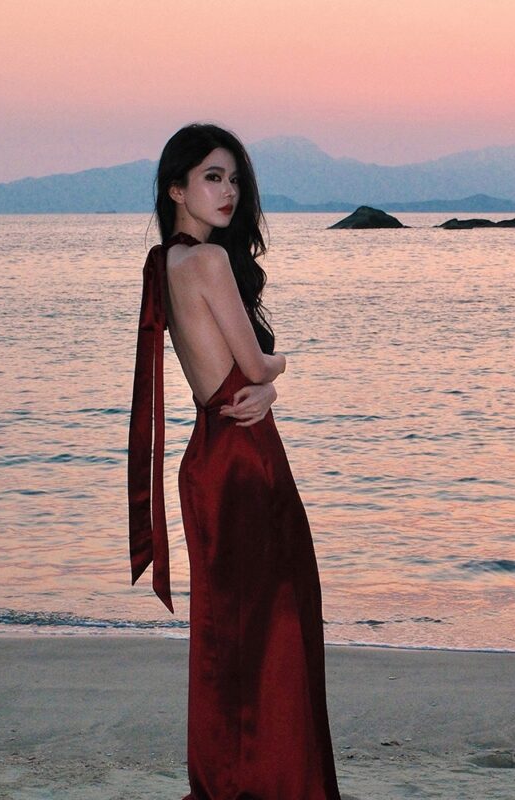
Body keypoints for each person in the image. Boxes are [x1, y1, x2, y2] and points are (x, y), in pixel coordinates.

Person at [128, 122, 341, 800]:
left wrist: (260, 380)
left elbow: (214, 370)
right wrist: (280, 370)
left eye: (234, 180)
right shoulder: (209, 263)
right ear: (176, 188)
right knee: (278, 620)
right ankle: (274, 782)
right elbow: (253, 363)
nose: (228, 192)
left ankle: (230, 778)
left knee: (229, 629)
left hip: (210, 452)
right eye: (212, 177)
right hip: (245, 458)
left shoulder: (165, 262)